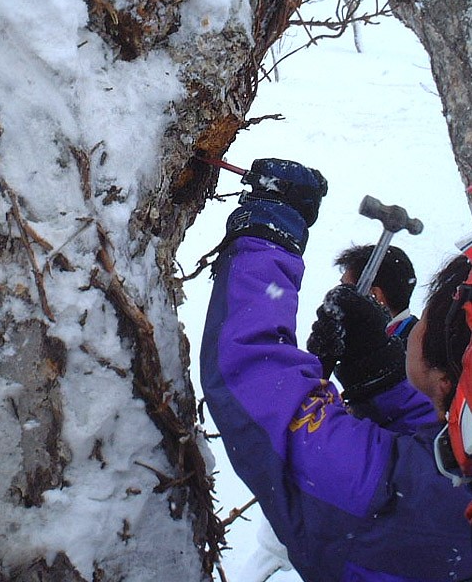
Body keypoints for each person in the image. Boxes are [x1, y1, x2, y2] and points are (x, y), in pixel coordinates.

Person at [201, 158, 472, 582]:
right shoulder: (447, 497)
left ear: (447, 377)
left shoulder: (388, 506)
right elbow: (433, 456)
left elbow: (254, 375)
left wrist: (269, 229)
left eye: (433, 317)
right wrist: (380, 383)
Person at [335, 243, 418, 346]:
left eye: (345, 288)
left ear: (374, 296)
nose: (337, 295)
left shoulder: (416, 351)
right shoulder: (350, 335)